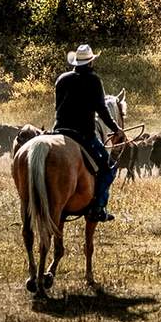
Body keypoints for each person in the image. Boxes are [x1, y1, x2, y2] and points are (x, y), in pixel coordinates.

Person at [54, 44, 123, 222]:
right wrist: (116, 129)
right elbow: (102, 110)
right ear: (91, 62)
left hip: (59, 131)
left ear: (76, 62)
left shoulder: (62, 79)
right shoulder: (93, 80)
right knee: (108, 169)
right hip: (83, 135)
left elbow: (57, 107)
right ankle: (98, 208)